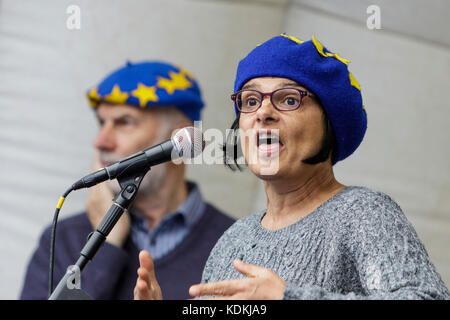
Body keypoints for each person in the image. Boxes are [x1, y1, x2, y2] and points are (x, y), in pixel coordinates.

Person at [134, 35, 450, 300]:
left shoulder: (362, 213)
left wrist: (290, 297)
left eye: (288, 100)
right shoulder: (234, 239)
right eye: (250, 100)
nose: (263, 112)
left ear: (330, 124)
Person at [20, 61, 234, 300]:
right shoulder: (63, 239)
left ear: (181, 142)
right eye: (102, 123)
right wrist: (105, 244)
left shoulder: (235, 243)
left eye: (124, 122)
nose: (101, 141)